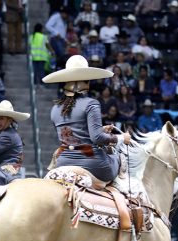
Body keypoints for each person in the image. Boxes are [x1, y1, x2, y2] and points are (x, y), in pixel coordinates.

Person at [42, 55, 131, 183]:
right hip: (93, 163)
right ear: (84, 82)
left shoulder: (55, 108)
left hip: (63, 162)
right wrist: (122, 138)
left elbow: (73, 133)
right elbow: (97, 138)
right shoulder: (91, 103)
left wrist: (98, 129)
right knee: (119, 158)